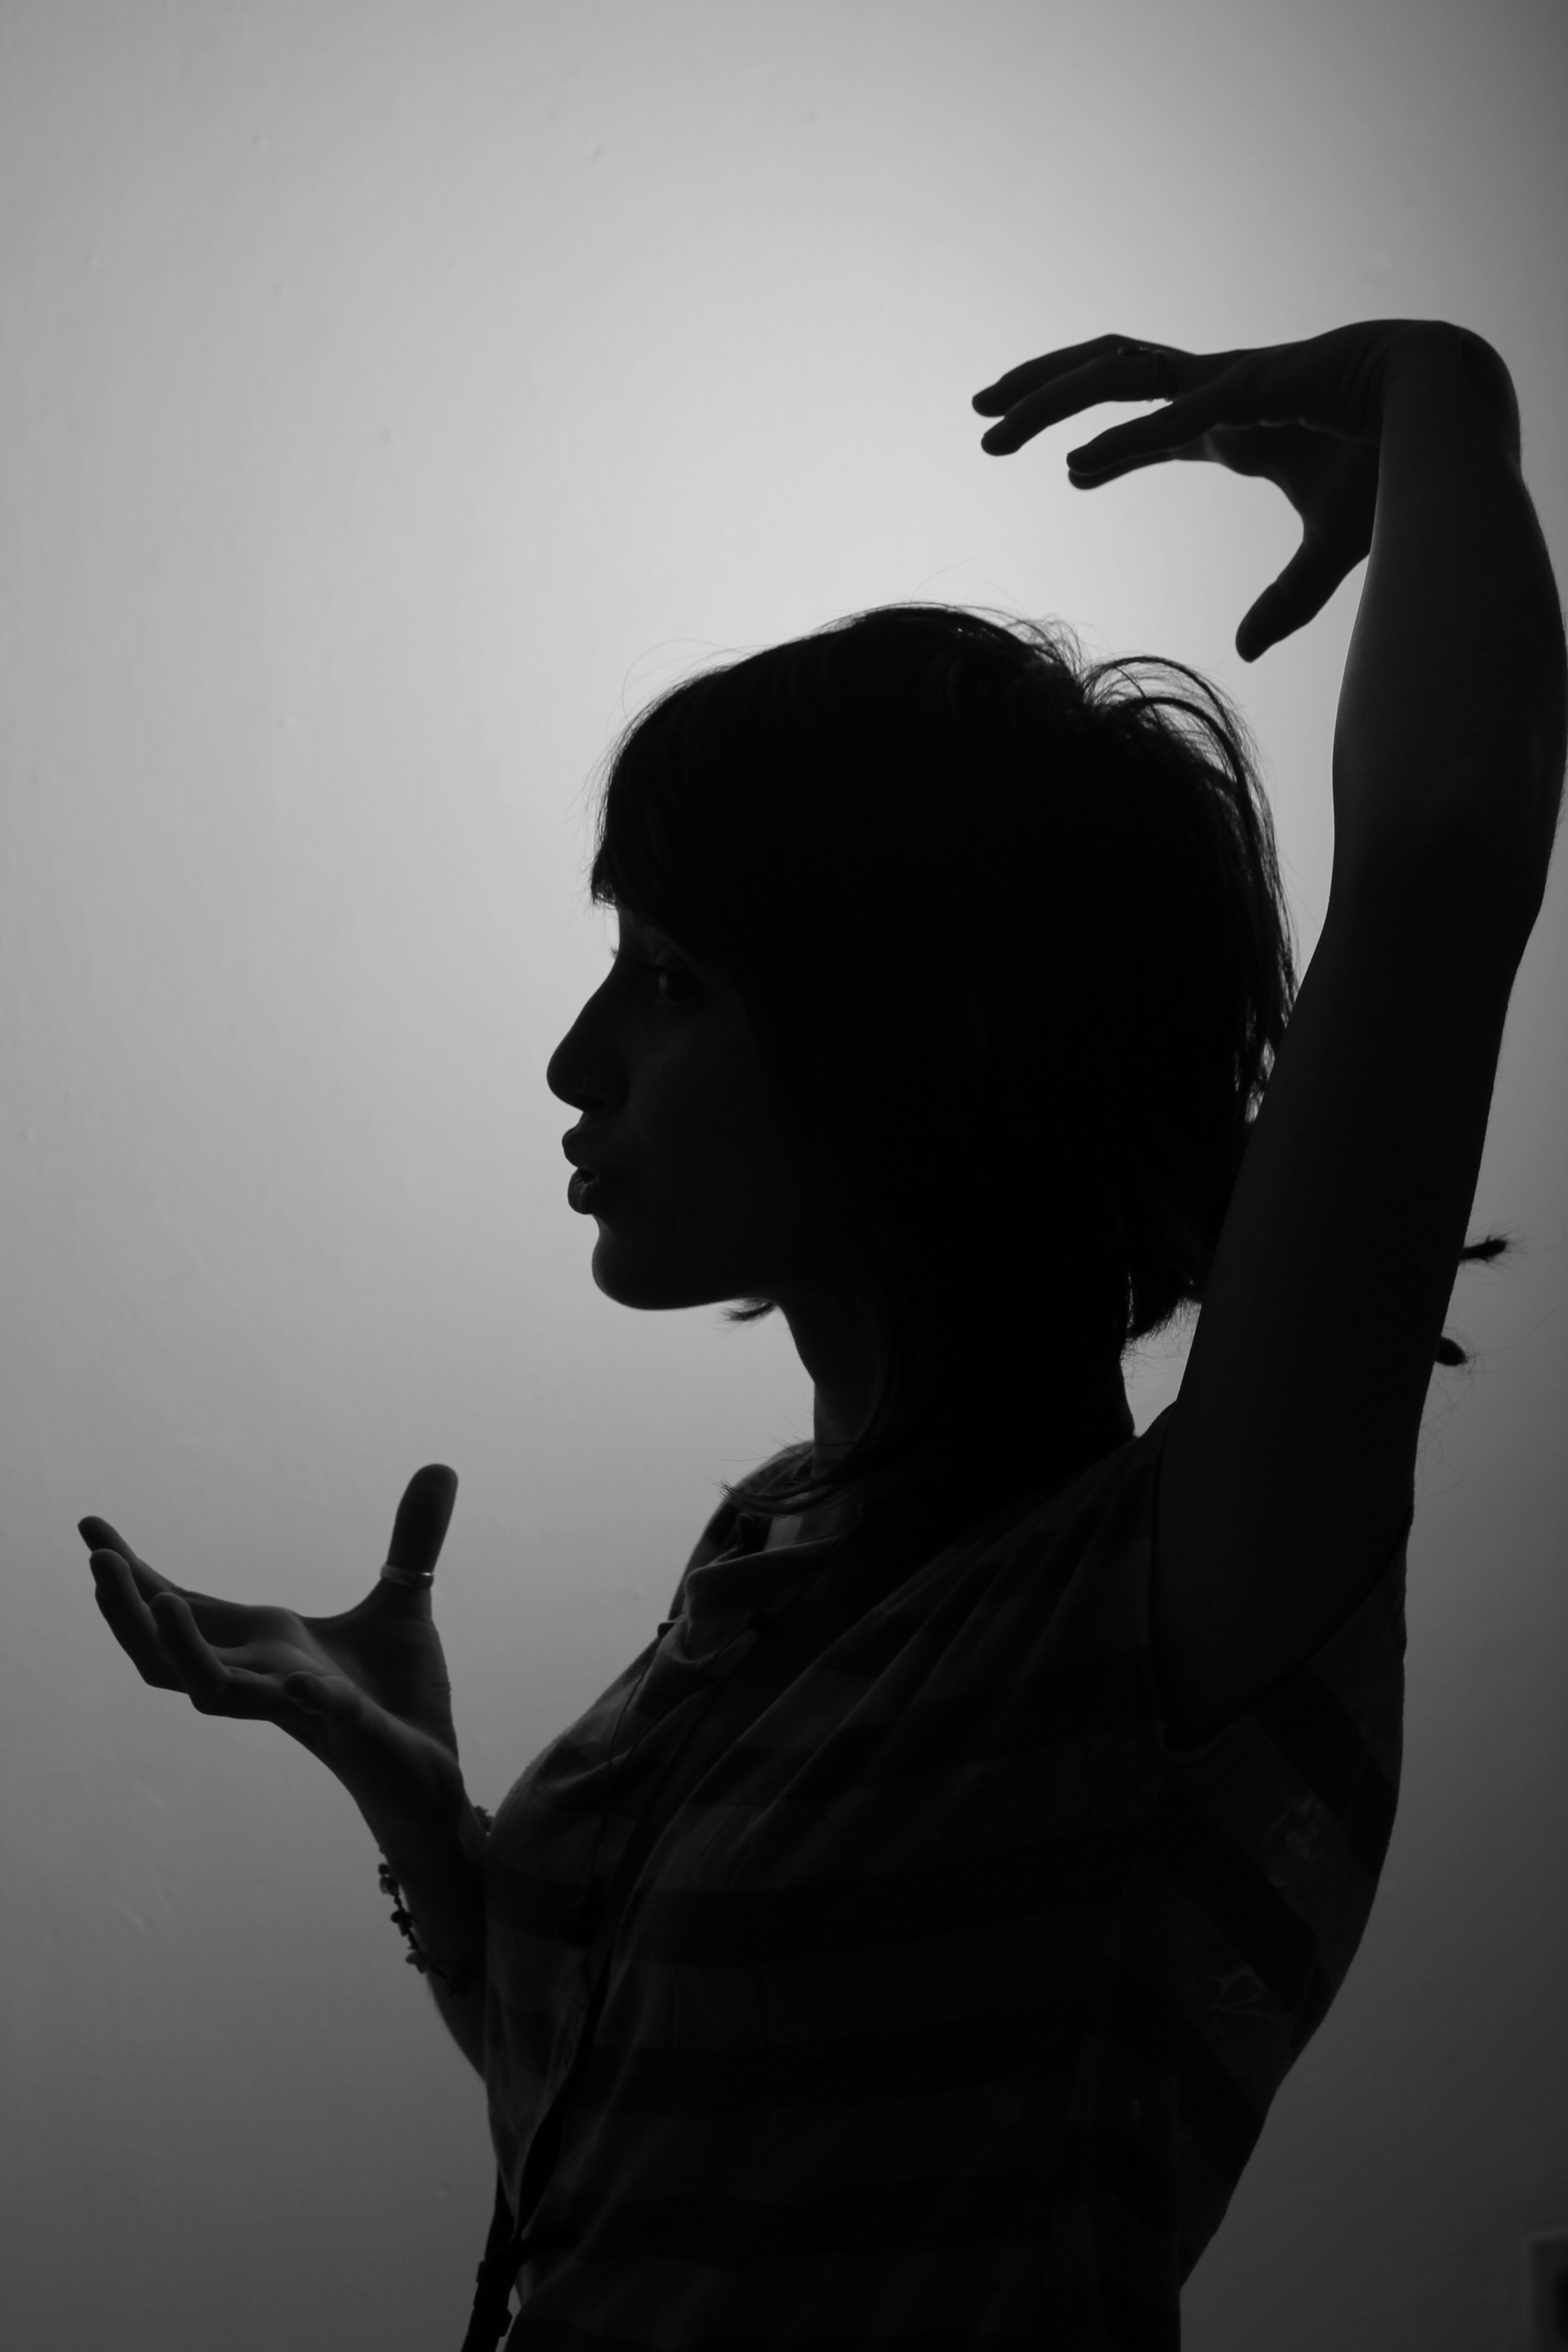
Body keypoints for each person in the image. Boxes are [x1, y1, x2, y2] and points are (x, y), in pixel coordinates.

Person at [82, 319, 1565, 2347]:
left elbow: (1445, 858)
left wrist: (1445, 395)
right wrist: (422, 1811)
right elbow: (617, 2174)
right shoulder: (771, 1564)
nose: (573, 1061)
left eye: (672, 979)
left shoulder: (1170, 1600)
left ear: (920, 1036)